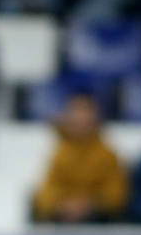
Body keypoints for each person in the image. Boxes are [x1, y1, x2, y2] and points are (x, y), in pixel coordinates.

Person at [32, 91, 127, 223]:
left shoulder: (108, 155)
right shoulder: (60, 154)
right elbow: (46, 192)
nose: (81, 117)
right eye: (77, 110)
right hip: (62, 218)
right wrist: (63, 205)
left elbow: (116, 194)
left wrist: (89, 205)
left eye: (86, 110)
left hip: (97, 220)